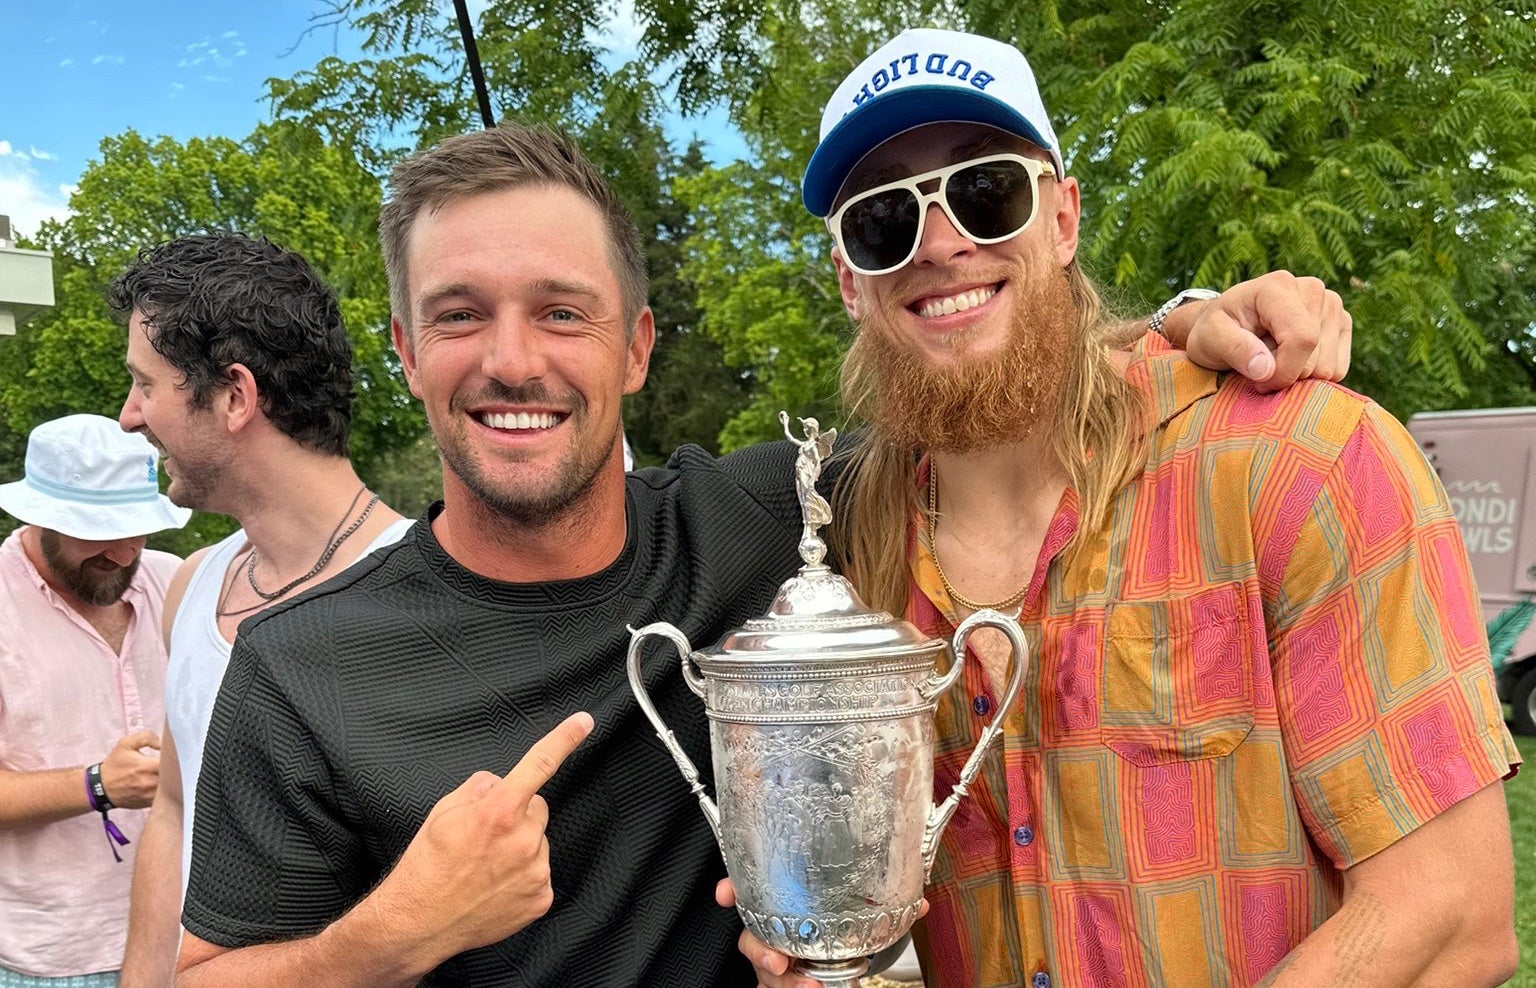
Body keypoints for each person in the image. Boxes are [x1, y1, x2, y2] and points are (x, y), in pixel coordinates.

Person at [172, 123, 1353, 987]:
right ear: (405, 348)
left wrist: (1181, 325)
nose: (513, 360)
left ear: (636, 348)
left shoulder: (763, 516)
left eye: (562, 311)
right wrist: (397, 933)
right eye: (462, 313)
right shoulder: (302, 668)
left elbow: (984, 374)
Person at [740, 27, 1519, 988]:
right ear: (850, 281)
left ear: (1062, 220)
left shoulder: (1299, 460)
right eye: (881, 220)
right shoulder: (850, 556)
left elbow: (1451, 913)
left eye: (987, 192)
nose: (941, 243)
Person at [109, 233, 412, 988]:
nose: (128, 417)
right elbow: (173, 814)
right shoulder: (193, 586)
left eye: (145, 385)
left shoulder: (417, 603)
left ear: (236, 396)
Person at [0, 414, 189, 987]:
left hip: (181, 941)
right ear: (40, 515)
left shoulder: (172, 580)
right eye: (102, 529)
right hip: (46, 960)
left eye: (139, 528)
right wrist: (97, 784)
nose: (127, 552)